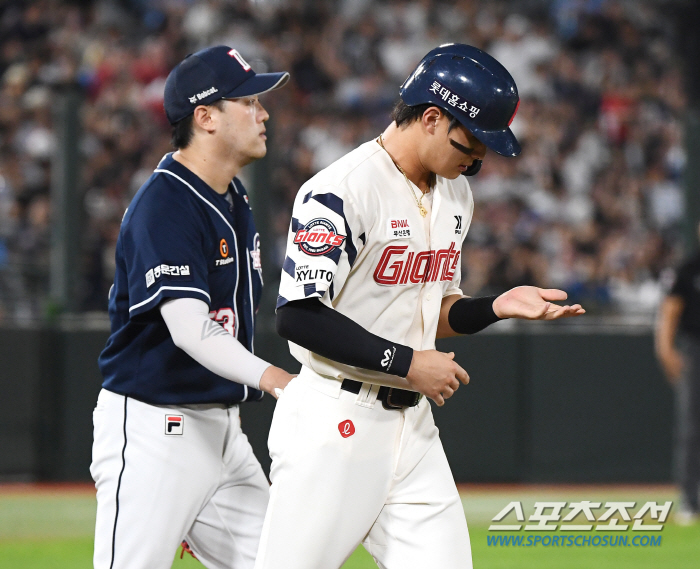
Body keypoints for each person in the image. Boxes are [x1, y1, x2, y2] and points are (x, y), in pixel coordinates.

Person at [255, 44, 585, 569]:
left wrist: (494, 307)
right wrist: (409, 363)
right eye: (472, 143)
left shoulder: (455, 195)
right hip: (335, 423)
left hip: (413, 432)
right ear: (432, 119)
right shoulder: (342, 190)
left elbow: (431, 310)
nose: (478, 161)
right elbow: (296, 314)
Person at [91, 46, 294, 569]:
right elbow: (189, 330)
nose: (263, 112)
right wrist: (277, 379)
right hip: (155, 427)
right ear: (205, 117)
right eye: (248, 101)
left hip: (221, 430)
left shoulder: (232, 195)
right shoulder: (166, 204)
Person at [655, 224, 700, 526]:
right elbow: (670, 310)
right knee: (692, 428)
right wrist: (666, 349)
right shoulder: (689, 268)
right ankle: (690, 499)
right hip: (695, 349)